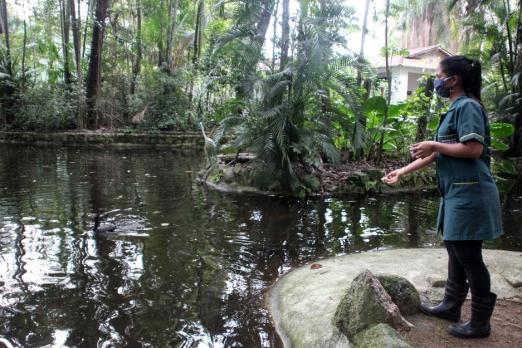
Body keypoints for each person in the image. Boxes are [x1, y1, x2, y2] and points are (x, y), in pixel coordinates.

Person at [382, 55, 503, 339]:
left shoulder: (468, 107)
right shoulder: (454, 109)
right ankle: (451, 305)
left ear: (453, 79)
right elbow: (439, 153)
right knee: (453, 247)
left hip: (471, 192)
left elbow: (472, 149)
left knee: (469, 256)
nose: (436, 80)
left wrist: (434, 143)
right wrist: (403, 171)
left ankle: (480, 323)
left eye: (438, 75)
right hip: (456, 192)